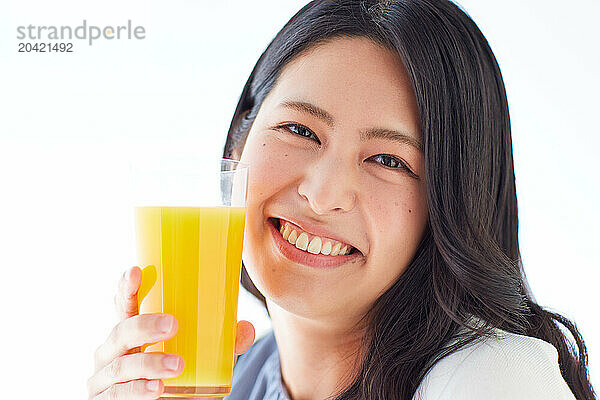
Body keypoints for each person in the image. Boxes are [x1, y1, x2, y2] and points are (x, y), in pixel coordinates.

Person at [87, 1, 596, 399]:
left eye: (390, 161)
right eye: (298, 129)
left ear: (449, 202)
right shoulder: (233, 380)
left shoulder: (493, 380)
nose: (323, 194)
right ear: (238, 145)